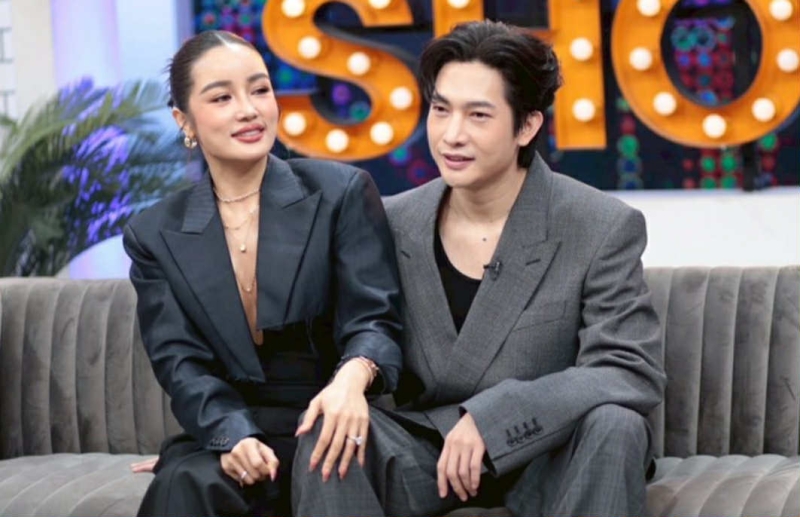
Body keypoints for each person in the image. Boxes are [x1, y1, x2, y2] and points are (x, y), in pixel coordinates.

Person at [292, 20, 667, 517]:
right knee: (329, 428)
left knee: (618, 424)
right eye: (441, 110)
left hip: (546, 450)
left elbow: (627, 370)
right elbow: (356, 332)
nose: (452, 135)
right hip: (428, 450)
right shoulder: (390, 221)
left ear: (526, 126)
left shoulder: (599, 225)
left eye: (478, 116)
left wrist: (493, 418)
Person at [123, 30, 402, 517]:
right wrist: (230, 435)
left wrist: (352, 380)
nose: (249, 110)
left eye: (260, 89)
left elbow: (375, 320)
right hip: (237, 424)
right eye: (222, 98)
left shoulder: (340, 192)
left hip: (329, 414)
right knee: (186, 483)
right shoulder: (153, 233)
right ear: (184, 120)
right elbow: (180, 362)